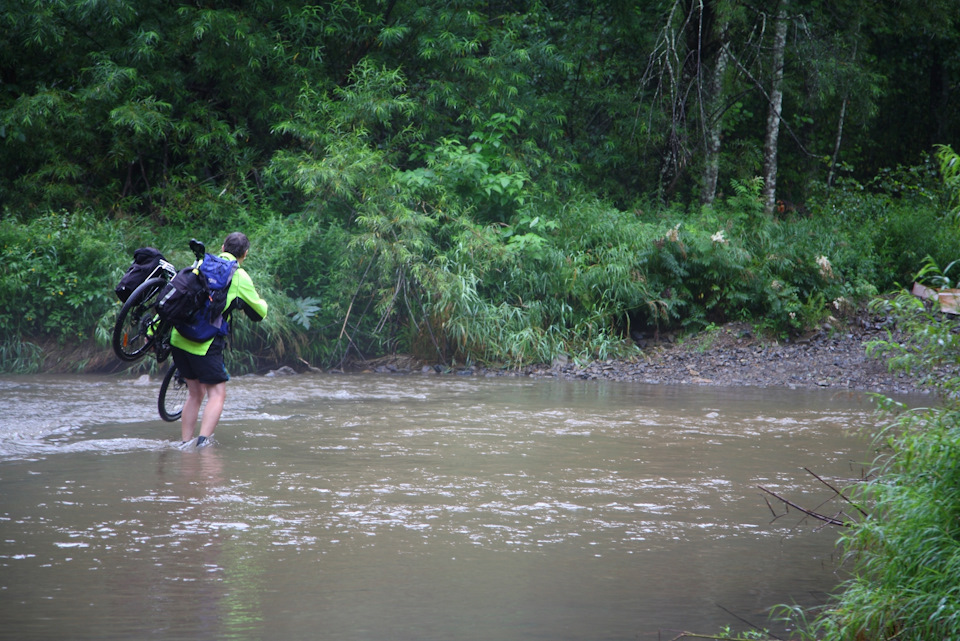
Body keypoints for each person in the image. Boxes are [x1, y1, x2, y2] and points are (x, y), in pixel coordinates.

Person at [170, 232, 268, 447]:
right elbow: (260, 312)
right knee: (217, 394)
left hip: (178, 337)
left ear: (223, 247)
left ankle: (185, 443)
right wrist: (261, 303)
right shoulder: (239, 276)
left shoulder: (201, 262)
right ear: (245, 254)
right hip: (203, 343)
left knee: (195, 393)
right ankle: (203, 444)